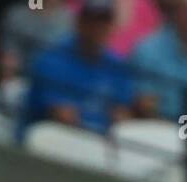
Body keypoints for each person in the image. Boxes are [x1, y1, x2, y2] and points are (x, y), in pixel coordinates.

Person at [24, 0, 135, 134]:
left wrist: (119, 121)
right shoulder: (53, 58)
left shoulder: (116, 65)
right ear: (79, 23)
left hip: (96, 143)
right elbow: (62, 115)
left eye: (104, 22)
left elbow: (122, 112)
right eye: (92, 22)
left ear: (111, 26)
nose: (98, 29)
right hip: (47, 139)